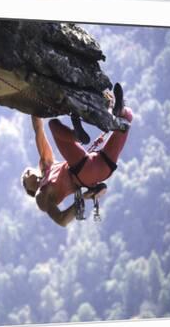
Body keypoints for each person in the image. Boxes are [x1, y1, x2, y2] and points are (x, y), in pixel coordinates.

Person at [21, 83, 133, 227]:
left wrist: (32, 96)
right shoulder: (41, 197)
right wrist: (82, 200)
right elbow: (62, 220)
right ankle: (77, 136)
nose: (25, 174)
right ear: (30, 190)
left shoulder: (47, 166)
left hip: (99, 168)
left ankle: (118, 111)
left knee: (127, 118)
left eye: (25, 172)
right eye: (24, 181)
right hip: (86, 170)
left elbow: (38, 128)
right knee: (53, 126)